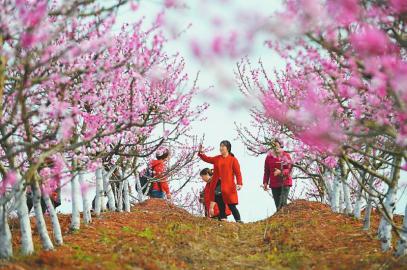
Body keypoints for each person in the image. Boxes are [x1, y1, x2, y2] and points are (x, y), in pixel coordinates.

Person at [198, 140, 243, 223]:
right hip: (218, 185)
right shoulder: (217, 158)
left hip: (229, 186)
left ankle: (239, 220)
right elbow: (207, 159)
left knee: (231, 205)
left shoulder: (233, 160)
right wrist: (201, 153)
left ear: (228, 148)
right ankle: (223, 220)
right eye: (220, 146)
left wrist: (239, 183)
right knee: (220, 203)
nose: (221, 148)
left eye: (223, 146)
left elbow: (238, 173)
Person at [262, 139, 293, 211]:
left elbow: (289, 169)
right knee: (278, 206)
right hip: (274, 184)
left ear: (281, 146)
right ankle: (281, 220)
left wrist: (281, 172)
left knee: (282, 204)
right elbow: (266, 171)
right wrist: (265, 182)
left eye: (276, 146)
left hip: (285, 183)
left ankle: (285, 218)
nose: (275, 148)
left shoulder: (286, 155)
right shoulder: (269, 157)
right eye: (273, 146)